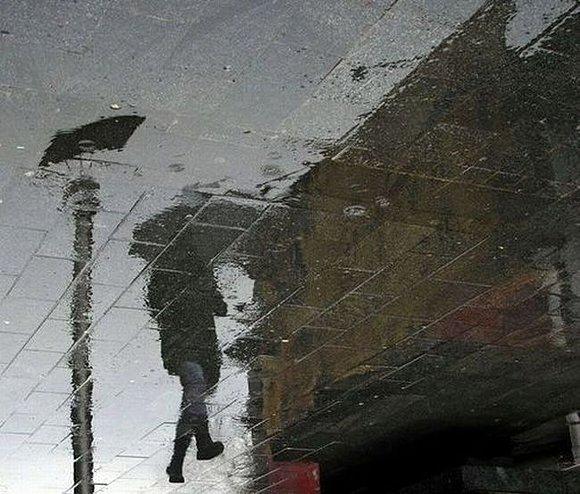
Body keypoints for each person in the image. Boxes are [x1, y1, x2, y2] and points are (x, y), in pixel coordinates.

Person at [129, 200, 226, 483]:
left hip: (189, 340)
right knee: (195, 387)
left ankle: (177, 462)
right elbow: (214, 304)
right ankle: (202, 442)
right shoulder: (180, 270)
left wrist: (206, 300)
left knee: (191, 399)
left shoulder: (177, 269)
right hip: (187, 340)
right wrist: (203, 300)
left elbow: (217, 304)